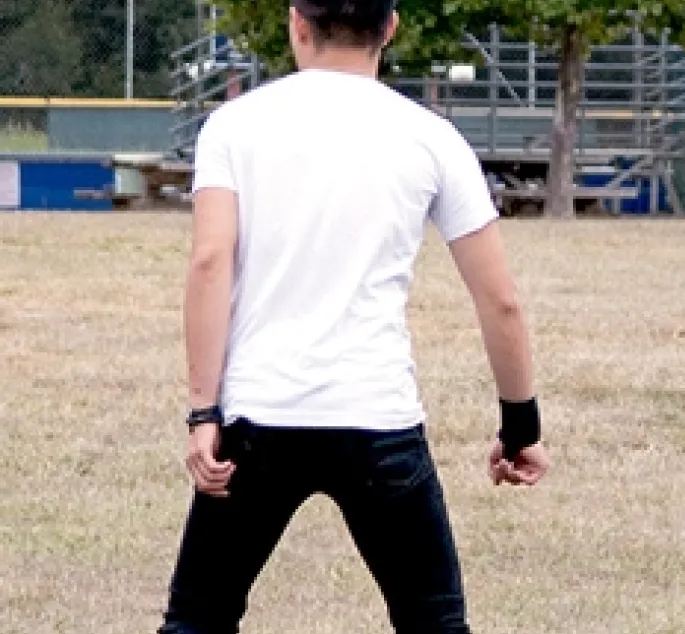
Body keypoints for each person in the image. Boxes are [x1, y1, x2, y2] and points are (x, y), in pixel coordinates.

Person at [158, 1, 550, 633]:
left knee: (197, 621)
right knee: (434, 624)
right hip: (378, 418)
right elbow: (500, 299)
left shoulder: (234, 126)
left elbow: (210, 262)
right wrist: (519, 426)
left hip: (260, 416)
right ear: (390, 28)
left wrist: (204, 414)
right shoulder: (431, 137)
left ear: (297, 23)